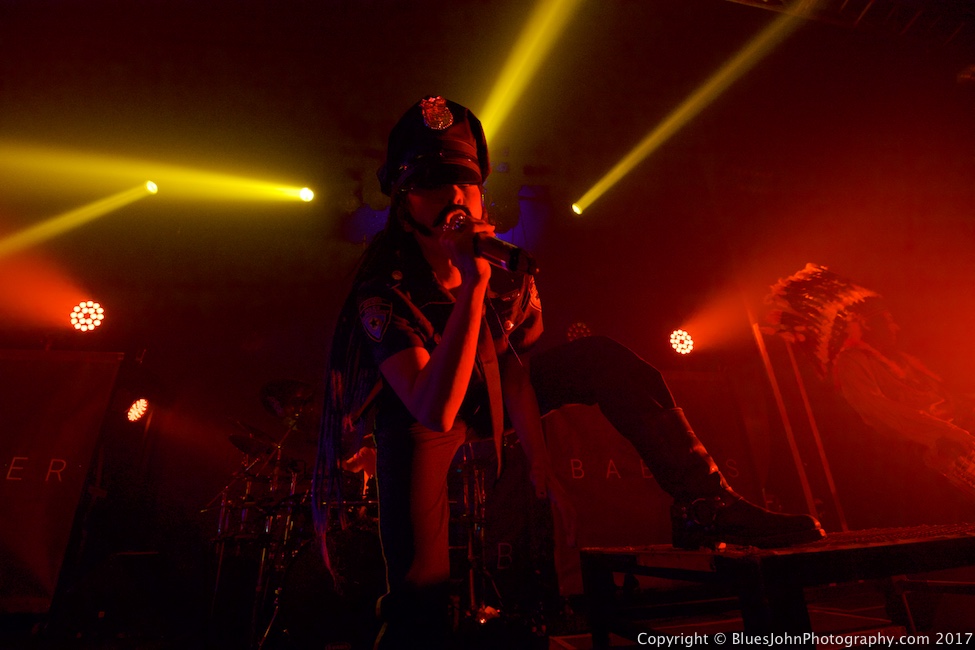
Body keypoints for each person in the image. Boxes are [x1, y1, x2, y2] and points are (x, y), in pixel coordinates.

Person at [314, 96, 825, 649]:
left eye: (465, 180)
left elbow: (518, 364)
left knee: (604, 360)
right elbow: (433, 408)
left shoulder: (491, 269)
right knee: (421, 590)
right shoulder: (385, 287)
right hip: (416, 415)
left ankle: (708, 505)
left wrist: (537, 456)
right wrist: (474, 284)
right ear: (403, 199)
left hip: (484, 391)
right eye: (435, 181)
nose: (455, 197)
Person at [767, 263, 975, 498]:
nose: (896, 327)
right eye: (887, 321)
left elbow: (943, 397)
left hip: (948, 438)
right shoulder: (851, 362)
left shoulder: (900, 359)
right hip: (914, 456)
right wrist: (943, 431)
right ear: (866, 324)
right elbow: (877, 410)